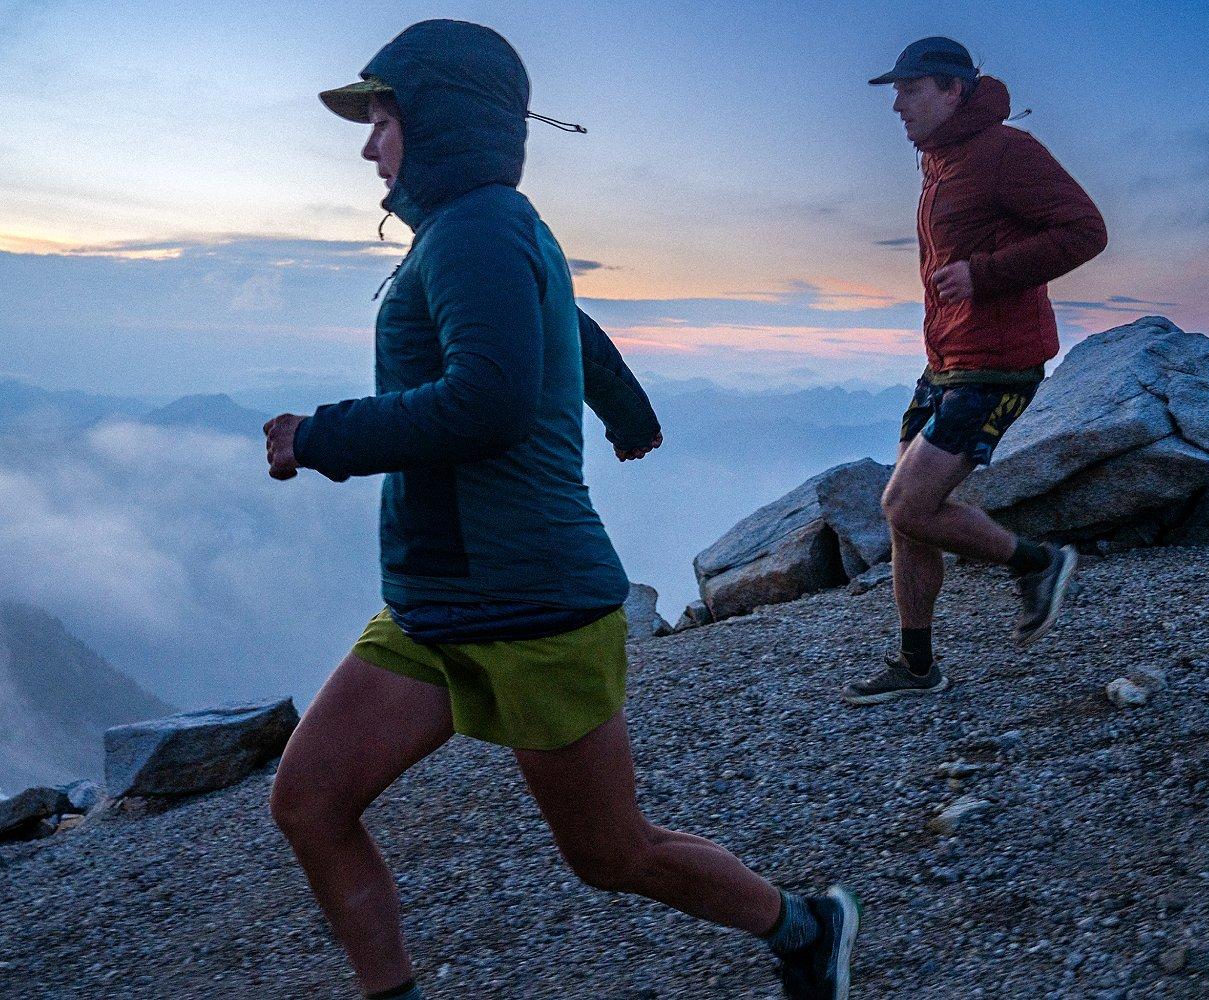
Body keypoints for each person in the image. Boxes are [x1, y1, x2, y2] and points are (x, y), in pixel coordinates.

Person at [260, 20, 857, 1000]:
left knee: (612, 853)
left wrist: (320, 437)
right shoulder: (479, 232)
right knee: (309, 800)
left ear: (438, 120)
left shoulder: (480, 229)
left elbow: (487, 401)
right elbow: (562, 319)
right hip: (433, 604)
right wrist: (624, 408)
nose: (367, 146)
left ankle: (804, 927)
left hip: (532, 604)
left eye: (381, 120)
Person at [842, 37, 1109, 706]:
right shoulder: (940, 161)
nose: (896, 104)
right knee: (909, 517)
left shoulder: (1006, 152)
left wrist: (986, 275)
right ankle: (917, 664)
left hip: (998, 362)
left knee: (904, 502)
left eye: (909, 89)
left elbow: (1086, 230)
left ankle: (1041, 563)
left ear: (951, 89)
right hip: (947, 360)